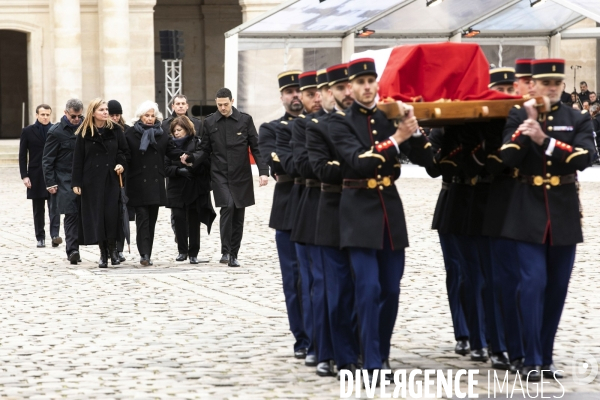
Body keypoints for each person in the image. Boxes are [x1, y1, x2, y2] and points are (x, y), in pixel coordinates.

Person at [329, 58, 434, 384]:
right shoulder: (340, 123)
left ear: (377, 84)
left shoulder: (389, 117)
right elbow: (359, 163)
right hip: (357, 212)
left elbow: (430, 162)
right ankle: (371, 360)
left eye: (370, 81)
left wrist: (413, 130)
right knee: (368, 288)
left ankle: (380, 352)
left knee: (390, 290)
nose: (366, 87)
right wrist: (398, 139)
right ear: (350, 87)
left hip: (390, 212)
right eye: (359, 82)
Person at [500, 58, 595, 381]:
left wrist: (545, 140)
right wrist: (525, 130)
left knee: (556, 288)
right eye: (545, 83)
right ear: (534, 85)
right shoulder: (517, 114)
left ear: (563, 86)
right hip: (526, 209)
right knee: (532, 283)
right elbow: (507, 157)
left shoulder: (576, 117)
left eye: (557, 83)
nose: (552, 88)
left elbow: (584, 158)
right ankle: (530, 356)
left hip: (563, 211)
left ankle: (546, 354)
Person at [306, 64, 360, 377]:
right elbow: (317, 168)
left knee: (365, 288)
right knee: (331, 288)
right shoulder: (315, 126)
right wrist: (360, 163)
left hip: (363, 211)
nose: (348, 93)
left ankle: (363, 350)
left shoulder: (369, 123)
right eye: (339, 88)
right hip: (328, 210)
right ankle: (328, 350)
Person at [182, 88, 269, 268]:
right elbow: (204, 149)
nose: (222, 107)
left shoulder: (245, 120)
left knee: (238, 214)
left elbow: (256, 147)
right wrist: (191, 159)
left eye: (225, 104)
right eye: (219, 104)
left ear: (232, 101)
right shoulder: (210, 122)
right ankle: (226, 250)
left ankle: (234, 253)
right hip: (219, 173)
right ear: (216, 103)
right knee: (227, 206)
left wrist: (263, 171)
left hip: (241, 175)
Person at [257, 70, 309, 360]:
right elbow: (278, 163)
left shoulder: (321, 124)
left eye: (299, 90)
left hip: (320, 207)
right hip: (289, 208)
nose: (295, 95)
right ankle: (302, 337)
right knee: (295, 279)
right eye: (290, 91)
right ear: (282, 97)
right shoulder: (271, 129)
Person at [291, 70, 333, 376]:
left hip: (347, 207)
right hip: (313, 206)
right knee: (318, 283)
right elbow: (303, 165)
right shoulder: (301, 127)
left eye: (320, 92)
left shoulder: (342, 121)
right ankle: (318, 344)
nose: (316, 98)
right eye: (310, 94)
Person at [124, 101, 184, 266]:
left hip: (155, 183)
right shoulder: (130, 134)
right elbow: (125, 155)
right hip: (137, 182)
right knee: (142, 219)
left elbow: (171, 151)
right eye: (146, 116)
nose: (150, 119)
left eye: (152, 116)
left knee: (151, 221)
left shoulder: (162, 134)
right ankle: (144, 254)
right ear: (140, 116)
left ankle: (147, 252)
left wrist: (187, 155)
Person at [71, 98, 129, 268]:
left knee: (111, 215)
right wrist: (76, 182)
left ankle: (113, 250)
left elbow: (124, 152)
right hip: (92, 181)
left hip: (111, 178)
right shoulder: (84, 133)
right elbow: (78, 159)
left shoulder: (116, 130)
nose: (106, 112)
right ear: (93, 112)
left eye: (106, 110)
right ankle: (103, 253)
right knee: (97, 217)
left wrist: (121, 164)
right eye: (102, 110)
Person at [165, 116, 215, 264]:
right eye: (174, 131)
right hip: (176, 188)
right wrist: (178, 171)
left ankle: (193, 252)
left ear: (187, 129)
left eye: (179, 130)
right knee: (178, 219)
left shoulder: (197, 143)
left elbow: (205, 163)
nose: (176, 133)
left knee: (194, 221)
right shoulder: (169, 146)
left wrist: (191, 166)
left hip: (193, 187)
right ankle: (182, 251)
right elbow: (165, 167)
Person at [42, 99, 84, 264]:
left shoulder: (85, 129)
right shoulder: (56, 132)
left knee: (85, 213)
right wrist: (50, 182)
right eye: (73, 116)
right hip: (64, 178)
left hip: (84, 178)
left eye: (79, 116)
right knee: (71, 213)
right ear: (66, 113)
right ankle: (72, 250)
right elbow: (47, 160)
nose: (76, 119)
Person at [19, 104, 61, 248]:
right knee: (38, 208)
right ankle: (40, 237)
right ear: (37, 115)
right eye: (42, 114)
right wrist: (24, 176)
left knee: (54, 206)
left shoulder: (56, 129)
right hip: (35, 174)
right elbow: (22, 155)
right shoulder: (28, 131)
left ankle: (55, 235)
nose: (45, 117)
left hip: (53, 174)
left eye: (47, 114)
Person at [108, 99, 131, 262]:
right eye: (112, 114)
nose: (115, 118)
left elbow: (128, 153)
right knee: (111, 215)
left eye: (117, 115)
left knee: (123, 214)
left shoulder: (126, 130)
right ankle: (111, 247)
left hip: (124, 177)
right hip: (108, 177)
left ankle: (120, 248)